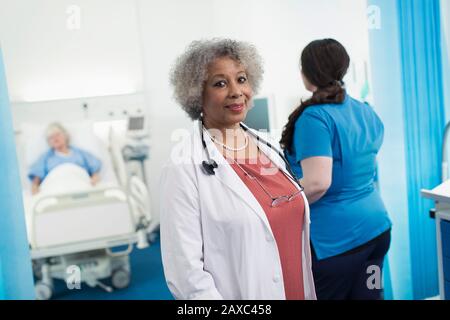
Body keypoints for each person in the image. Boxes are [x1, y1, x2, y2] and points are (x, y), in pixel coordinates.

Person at [160, 39, 316, 300]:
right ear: (197, 94)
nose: (236, 91)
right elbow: (186, 276)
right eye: (220, 83)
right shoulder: (183, 166)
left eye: (241, 79)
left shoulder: (267, 146)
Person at [280, 39, 392, 300]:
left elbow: (318, 183)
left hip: (336, 244)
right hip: (376, 232)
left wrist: (277, 206)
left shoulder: (315, 117)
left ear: (308, 72)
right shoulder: (366, 111)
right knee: (369, 296)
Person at [28, 122, 101, 194]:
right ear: (49, 142)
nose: (55, 138)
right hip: (55, 188)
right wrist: (35, 188)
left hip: (80, 184)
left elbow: (95, 170)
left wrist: (94, 179)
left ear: (65, 136)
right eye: (51, 137)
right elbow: (36, 181)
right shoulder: (45, 157)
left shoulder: (80, 153)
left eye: (57, 134)